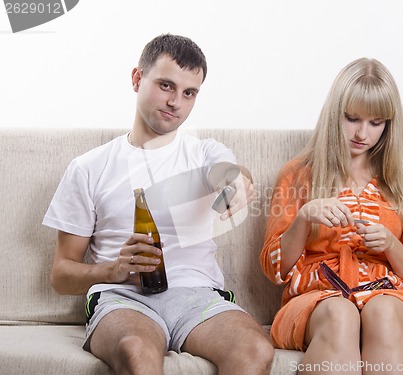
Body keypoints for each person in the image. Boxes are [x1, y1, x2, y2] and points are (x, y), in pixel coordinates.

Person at [43, 34, 274, 375]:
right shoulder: (88, 168)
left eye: (189, 93)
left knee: (255, 350)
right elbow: (61, 275)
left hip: (197, 295)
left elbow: (230, 169)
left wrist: (236, 181)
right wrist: (113, 270)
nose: (176, 102)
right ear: (137, 79)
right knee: (135, 351)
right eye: (166, 85)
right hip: (122, 297)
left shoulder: (203, 152)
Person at [260, 58, 403, 375]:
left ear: (390, 124)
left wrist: (391, 245)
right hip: (318, 298)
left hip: (386, 293)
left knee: (383, 313)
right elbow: (275, 268)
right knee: (340, 315)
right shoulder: (298, 176)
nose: (362, 133)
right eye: (352, 119)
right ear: (336, 114)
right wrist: (304, 218)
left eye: (376, 123)